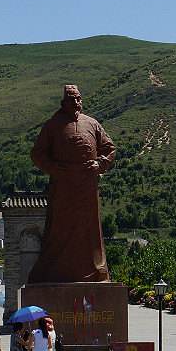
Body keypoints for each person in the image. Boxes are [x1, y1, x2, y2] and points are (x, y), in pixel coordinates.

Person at [26, 84, 118, 283]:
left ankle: (96, 271)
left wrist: (100, 163)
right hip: (63, 186)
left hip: (87, 185)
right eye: (71, 99)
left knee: (89, 227)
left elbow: (110, 148)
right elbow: (37, 153)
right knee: (60, 226)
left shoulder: (92, 124)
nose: (76, 102)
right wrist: (54, 168)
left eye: (78, 98)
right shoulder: (52, 125)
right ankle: (55, 271)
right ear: (63, 102)